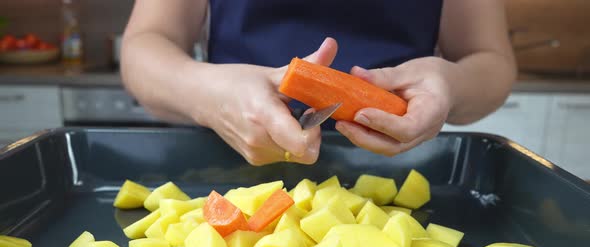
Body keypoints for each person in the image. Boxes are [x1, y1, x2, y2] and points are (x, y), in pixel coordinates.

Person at [121, 1, 516, 165]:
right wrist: (206, 94)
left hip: (397, 171)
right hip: (231, 162)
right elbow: (143, 46)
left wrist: (451, 85)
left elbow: (491, 62)